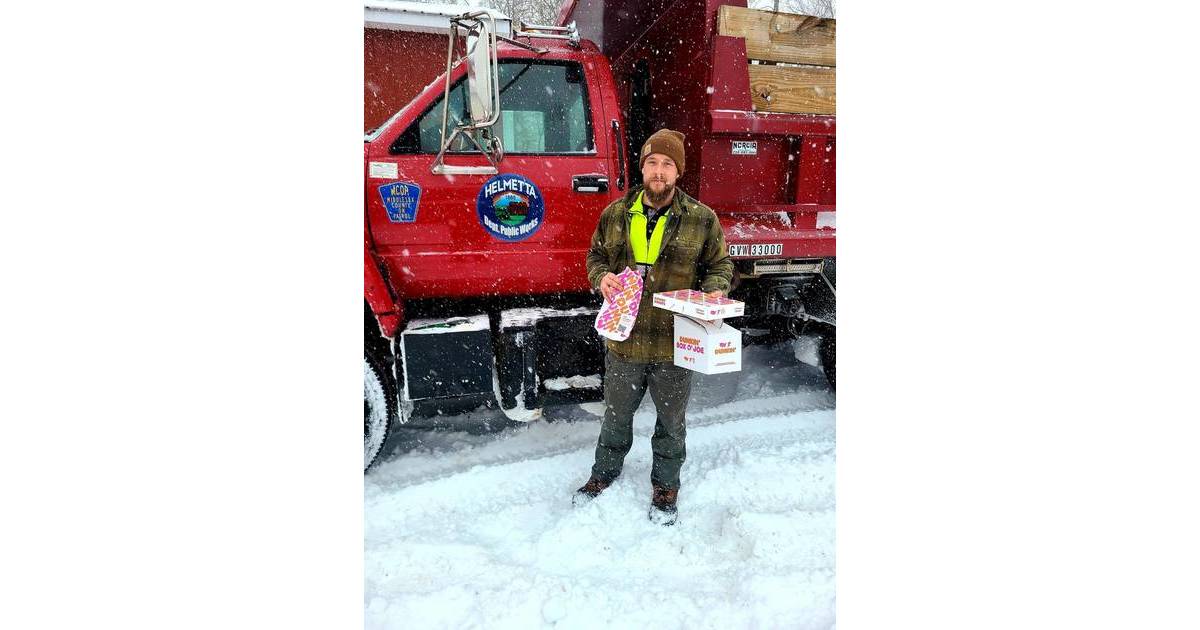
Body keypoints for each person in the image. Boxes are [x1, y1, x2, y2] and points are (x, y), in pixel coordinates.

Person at [574, 128, 733, 525]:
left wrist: (713, 291)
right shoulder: (615, 213)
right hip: (624, 342)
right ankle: (603, 474)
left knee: (670, 423)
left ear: (678, 172)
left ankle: (665, 486)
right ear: (642, 168)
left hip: (673, 344)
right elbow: (595, 255)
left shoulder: (701, 218)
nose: (658, 171)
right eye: (652, 163)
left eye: (667, 164)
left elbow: (720, 265)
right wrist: (601, 278)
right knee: (615, 417)